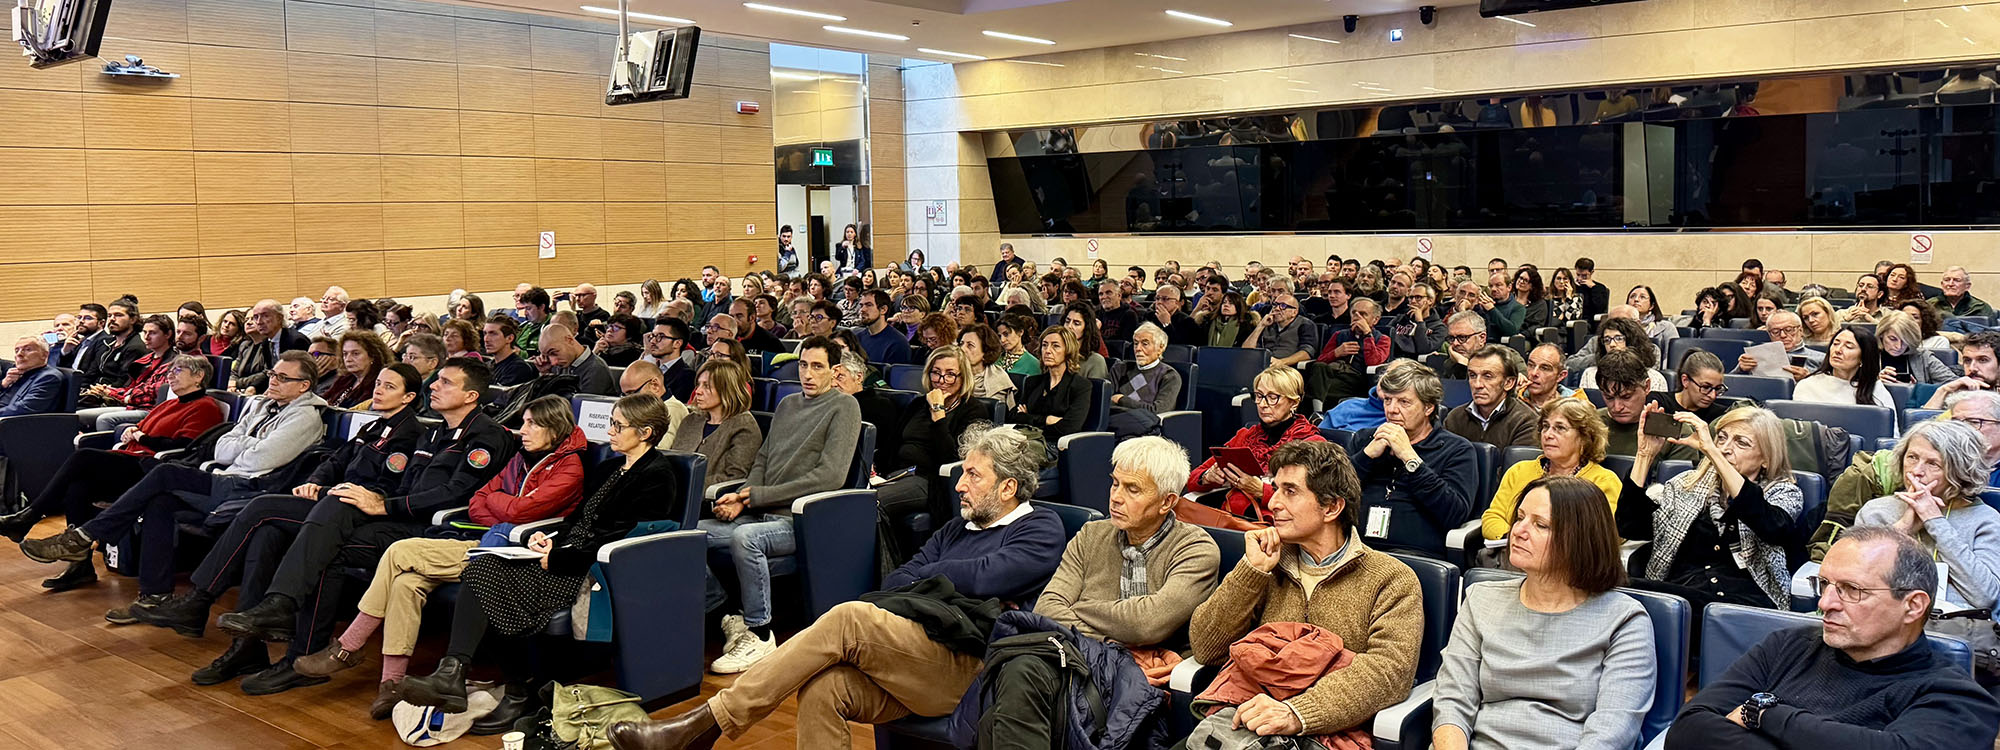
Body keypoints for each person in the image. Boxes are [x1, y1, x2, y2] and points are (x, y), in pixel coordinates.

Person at [609, 425, 1064, 750]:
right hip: (919, 650)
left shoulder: (1041, 527)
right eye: (963, 472)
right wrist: (941, 580)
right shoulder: (955, 529)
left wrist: (936, 578)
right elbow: (900, 578)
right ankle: (701, 729)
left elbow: (987, 576)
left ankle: (705, 724)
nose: (960, 484)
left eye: (973, 475)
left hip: (972, 668)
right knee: (825, 687)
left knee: (850, 617)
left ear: (1008, 487)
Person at [287, 393, 585, 720]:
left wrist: (501, 510)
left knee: (400, 551)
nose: (522, 429)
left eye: (532, 423)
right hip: (486, 539)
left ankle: (349, 646)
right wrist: (502, 511)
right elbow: (478, 500)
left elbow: (522, 510)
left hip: (510, 555)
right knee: (405, 582)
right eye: (524, 421)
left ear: (554, 429)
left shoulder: (570, 467)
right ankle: (391, 684)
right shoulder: (521, 457)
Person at [397, 393, 681, 715]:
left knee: (489, 583)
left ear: (645, 433)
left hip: (595, 569)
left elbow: (625, 536)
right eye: (612, 423)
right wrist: (547, 539)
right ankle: (460, 675)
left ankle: (508, 687)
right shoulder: (611, 467)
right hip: (569, 553)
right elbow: (576, 520)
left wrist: (561, 556)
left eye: (618, 425)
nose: (611, 431)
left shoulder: (658, 475)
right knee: (483, 565)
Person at [17, 353, 327, 614]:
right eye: (273, 373)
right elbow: (223, 445)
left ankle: (84, 536)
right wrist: (243, 446)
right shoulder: (261, 404)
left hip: (248, 489)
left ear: (304, 385)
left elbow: (259, 460)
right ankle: (154, 596)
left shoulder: (306, 417)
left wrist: (240, 446)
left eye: (283, 378)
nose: (273, 380)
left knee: (163, 472)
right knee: (159, 501)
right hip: (221, 474)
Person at [965, 436, 1222, 743]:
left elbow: (1147, 622)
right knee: (1020, 669)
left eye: (1132, 489)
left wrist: (1081, 607)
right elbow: (1048, 608)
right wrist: (1114, 646)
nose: (1115, 497)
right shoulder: (1091, 535)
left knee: (1019, 695)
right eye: (1115, 483)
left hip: (1147, 684)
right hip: (1082, 663)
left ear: (1166, 502)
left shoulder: (1196, 549)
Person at [1665, 526, 2000, 748]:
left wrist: (1764, 713)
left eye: (1851, 590)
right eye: (1824, 584)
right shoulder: (1785, 646)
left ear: (1912, 606)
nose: (1825, 603)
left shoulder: (1958, 698)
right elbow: (1688, 730)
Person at [1186, 440, 1422, 739]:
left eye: (1290, 491)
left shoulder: (1391, 579)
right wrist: (1251, 572)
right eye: (1276, 488)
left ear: (1332, 507)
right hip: (1246, 724)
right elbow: (1206, 648)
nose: (1272, 503)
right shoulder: (1267, 563)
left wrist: (1298, 713)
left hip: (1327, 731)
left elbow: (1389, 673)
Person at [1435, 475, 1655, 750]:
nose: (1518, 531)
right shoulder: (1481, 599)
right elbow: (1453, 700)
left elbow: (1613, 729)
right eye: (1520, 517)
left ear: (1580, 539)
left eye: (1541, 525)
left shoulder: (1624, 619)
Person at [702, 337, 863, 673]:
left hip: (802, 520)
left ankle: (760, 634)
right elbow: (763, 458)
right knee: (689, 534)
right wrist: (742, 497)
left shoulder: (844, 406)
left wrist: (756, 497)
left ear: (835, 372)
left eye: (817, 366)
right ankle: (729, 614)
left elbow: (830, 477)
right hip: (759, 511)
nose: (807, 373)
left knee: (745, 539)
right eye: (803, 364)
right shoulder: (788, 404)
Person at [0, 353, 223, 594]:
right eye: (170, 370)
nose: (170, 375)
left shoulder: (205, 407)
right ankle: (80, 566)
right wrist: (133, 430)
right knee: (79, 486)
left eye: (178, 371)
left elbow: (183, 447)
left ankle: (30, 516)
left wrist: (141, 436)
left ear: (199, 376)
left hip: (153, 469)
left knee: (83, 457)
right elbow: (143, 428)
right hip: (132, 460)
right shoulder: (169, 403)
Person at [1847, 420, 2000, 680]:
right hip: (1883, 632)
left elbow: (1984, 595)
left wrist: (1935, 522)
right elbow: (1855, 583)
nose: (1917, 471)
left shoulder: (1986, 520)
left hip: (1954, 638)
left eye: (1933, 463)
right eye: (1912, 457)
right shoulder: (1878, 512)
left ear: (1959, 470)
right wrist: (1904, 527)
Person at [1619, 406, 1802, 611]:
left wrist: (1713, 453)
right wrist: (1644, 455)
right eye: (1721, 438)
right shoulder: (1687, 484)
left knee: (1623, 590)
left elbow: (1771, 526)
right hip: (1680, 591)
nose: (1725, 448)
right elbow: (1630, 527)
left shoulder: (1784, 493)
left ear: (1766, 459)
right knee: (1612, 586)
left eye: (1741, 443)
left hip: (1743, 601)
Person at [1352, 362, 1479, 557]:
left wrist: (1410, 458)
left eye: (1404, 402)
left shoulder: (1457, 450)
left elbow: (1455, 514)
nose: (1392, 410)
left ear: (1428, 407)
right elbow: (1330, 495)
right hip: (1356, 548)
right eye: (1387, 400)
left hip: (1414, 555)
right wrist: (1366, 457)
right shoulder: (1365, 439)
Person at [1186, 365, 1323, 523]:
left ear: (1294, 402)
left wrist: (1261, 491)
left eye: (1273, 397)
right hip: (1233, 520)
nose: (1263, 404)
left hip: (1280, 527)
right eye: (1259, 395)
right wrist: (1207, 477)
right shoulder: (1245, 436)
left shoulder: (1311, 443)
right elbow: (1193, 479)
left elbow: (1312, 502)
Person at [1481, 397, 1623, 543]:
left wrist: (1546, 545)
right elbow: (1493, 517)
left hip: (1573, 561)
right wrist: (1515, 538)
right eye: (1545, 426)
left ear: (1585, 436)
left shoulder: (1603, 481)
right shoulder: (1518, 471)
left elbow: (1610, 533)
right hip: (1514, 554)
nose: (1548, 434)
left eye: (1560, 428)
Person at [670, 359, 763, 490]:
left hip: (706, 501)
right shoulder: (691, 420)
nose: (698, 391)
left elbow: (734, 476)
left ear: (727, 389)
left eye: (706, 386)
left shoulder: (744, 426)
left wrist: (686, 487)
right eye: (698, 385)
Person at [76, 314, 175, 428]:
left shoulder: (173, 362)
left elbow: (154, 393)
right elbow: (132, 387)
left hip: (151, 410)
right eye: (145, 332)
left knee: (105, 420)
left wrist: (115, 394)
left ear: (168, 334)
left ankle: (113, 446)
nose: (147, 337)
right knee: (79, 416)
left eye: (152, 333)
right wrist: (107, 390)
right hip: (133, 405)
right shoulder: (146, 360)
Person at [1008, 326, 1092, 447]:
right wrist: (1048, 420)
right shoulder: (1032, 382)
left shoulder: (1081, 386)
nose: (1047, 350)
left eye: (1055, 346)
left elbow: (1070, 428)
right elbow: (1014, 417)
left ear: (1068, 351)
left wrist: (1029, 418)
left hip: (1056, 446)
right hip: (1026, 440)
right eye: (1044, 345)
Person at [1443, 345, 1539, 449]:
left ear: (1508, 383)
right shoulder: (1455, 418)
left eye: (1487, 376)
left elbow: (1519, 465)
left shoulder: (1526, 421)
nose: (1477, 384)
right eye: (1473, 375)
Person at [1794, 328, 1894, 407]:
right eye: (1836, 344)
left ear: (1863, 357)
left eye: (1849, 347)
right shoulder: (1808, 385)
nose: (1838, 350)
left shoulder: (1875, 389)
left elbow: (1890, 431)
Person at [1108, 322, 1182, 414]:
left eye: (1145, 344)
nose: (1138, 348)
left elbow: (1158, 410)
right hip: (1113, 417)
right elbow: (1106, 401)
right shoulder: (1120, 368)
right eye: (1135, 343)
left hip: (1142, 422)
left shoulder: (1169, 376)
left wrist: (1122, 399)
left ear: (1160, 348)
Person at [1579, 317, 1667, 392]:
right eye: (1607, 340)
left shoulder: (1654, 378)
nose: (1612, 344)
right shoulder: (1590, 374)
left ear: (1633, 341)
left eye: (1619, 338)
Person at [1874, 310, 1957, 387]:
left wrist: (1918, 389)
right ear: (1881, 334)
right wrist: (1874, 382)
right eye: (1893, 339)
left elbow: (1956, 384)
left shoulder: (1923, 357)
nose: (1898, 346)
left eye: (1905, 341)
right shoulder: (1867, 356)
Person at [1735, 310, 1824, 377]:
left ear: (1800, 331)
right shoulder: (1756, 356)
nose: (1783, 335)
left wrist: (1808, 378)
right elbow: (1730, 384)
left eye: (1789, 330)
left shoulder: (1821, 359)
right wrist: (1741, 369)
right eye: (1775, 331)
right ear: (1769, 334)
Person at [315, 329, 390, 409]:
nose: (348, 359)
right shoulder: (344, 379)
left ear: (372, 356)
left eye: (355, 354)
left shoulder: (379, 383)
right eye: (345, 354)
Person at [537, 323, 616, 396]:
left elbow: (582, 408)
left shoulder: (596, 370)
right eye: (547, 356)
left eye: (554, 353)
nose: (553, 362)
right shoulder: (559, 365)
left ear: (569, 340)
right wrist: (545, 374)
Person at [1245, 292, 1318, 368]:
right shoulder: (1268, 324)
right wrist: (1260, 326)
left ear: (1294, 312)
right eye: (1275, 305)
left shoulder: (1305, 324)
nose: (1276, 308)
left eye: (1283, 306)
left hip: (1288, 368)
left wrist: (1282, 362)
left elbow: (1307, 352)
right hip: (1262, 365)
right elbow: (1247, 351)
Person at [0, 336, 65, 418]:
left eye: (28, 349)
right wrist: (3, 385)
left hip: (14, 424)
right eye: (17, 350)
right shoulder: (16, 374)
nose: (19, 354)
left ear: (44, 355)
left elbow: (25, 408)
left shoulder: (49, 377)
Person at [956, 324, 1016, 407]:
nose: (962, 349)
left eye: (970, 345)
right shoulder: (952, 376)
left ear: (986, 351)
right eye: (961, 344)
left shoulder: (998, 380)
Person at [1669, 350, 1737, 422]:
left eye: (1718, 388)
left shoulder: (1721, 416)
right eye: (1706, 387)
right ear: (1685, 380)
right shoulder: (1659, 403)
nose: (1713, 396)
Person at [853, 289, 913, 365]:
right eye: (861, 305)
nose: (862, 310)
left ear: (883, 309)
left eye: (869, 305)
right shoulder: (858, 338)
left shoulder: (898, 343)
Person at [1520, 342, 1585, 412]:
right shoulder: (1516, 397)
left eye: (1544, 368)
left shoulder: (1577, 405)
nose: (1534, 373)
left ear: (1560, 376)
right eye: (1531, 365)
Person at [1059, 302, 1111, 380]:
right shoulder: (1055, 355)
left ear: (1086, 328)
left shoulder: (1095, 361)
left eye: (1076, 323)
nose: (1069, 326)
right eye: (1067, 321)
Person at [481, 315, 537, 387]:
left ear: (510, 338)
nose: (486, 339)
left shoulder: (518, 369)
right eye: (485, 333)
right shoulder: (487, 366)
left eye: (493, 334)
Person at [1440, 311, 1488, 380]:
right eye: (1452, 338)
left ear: (1481, 338)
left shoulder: (1496, 363)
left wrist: (1463, 364)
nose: (1455, 343)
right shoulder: (1450, 364)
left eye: (1462, 337)